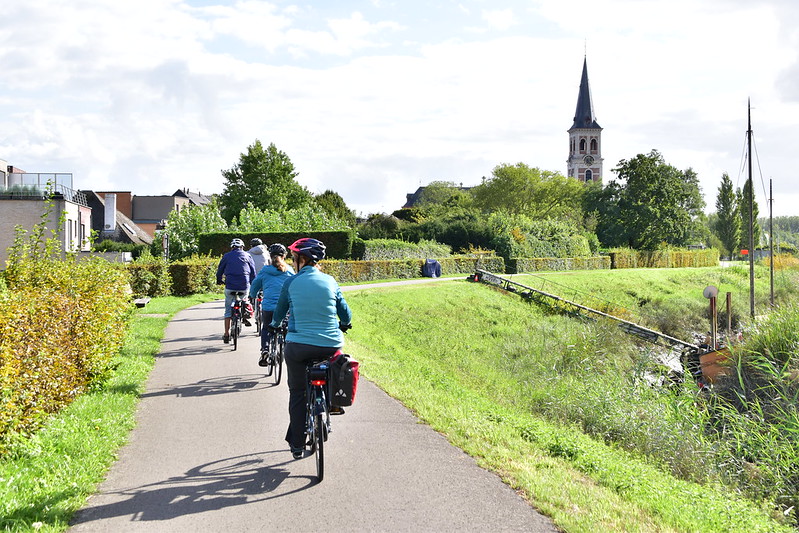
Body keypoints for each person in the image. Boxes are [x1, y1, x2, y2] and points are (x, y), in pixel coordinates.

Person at [269, 237, 352, 459]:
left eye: (294, 258)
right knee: (334, 367)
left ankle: (297, 444)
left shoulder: (292, 282)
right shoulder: (331, 281)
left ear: (301, 260)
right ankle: (331, 403)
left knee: (297, 392)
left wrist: (274, 325)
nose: (293, 262)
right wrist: (344, 324)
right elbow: (345, 312)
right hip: (330, 345)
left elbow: (279, 312)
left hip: (298, 347)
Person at [249, 243, 295, 362]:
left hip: (268, 307)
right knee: (285, 326)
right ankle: (284, 346)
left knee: (266, 327)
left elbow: (255, 285)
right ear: (284, 256)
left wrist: (252, 295)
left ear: (270, 256)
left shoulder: (265, 270)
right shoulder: (289, 271)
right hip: (285, 307)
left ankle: (265, 349)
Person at [216, 238, 257, 344]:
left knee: (228, 311)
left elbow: (220, 270)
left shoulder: (226, 256)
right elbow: (253, 272)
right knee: (245, 297)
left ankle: (226, 334)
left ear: (232, 247)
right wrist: (252, 283)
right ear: (242, 247)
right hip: (244, 286)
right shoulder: (248, 256)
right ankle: (245, 311)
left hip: (230, 286)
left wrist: (219, 280)